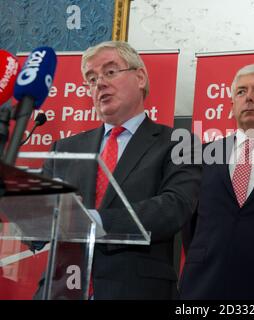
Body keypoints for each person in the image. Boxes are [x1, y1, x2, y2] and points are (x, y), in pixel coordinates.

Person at [39, 41, 202, 299]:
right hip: (62, 289)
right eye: (91, 79)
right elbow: (37, 218)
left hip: (137, 290)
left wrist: (96, 221)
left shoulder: (178, 142)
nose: (99, 83)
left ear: (139, 77)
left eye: (110, 72)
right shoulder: (66, 148)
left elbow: (175, 206)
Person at [180, 64, 254, 299]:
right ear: (232, 105)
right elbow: (188, 223)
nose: (249, 98)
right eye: (241, 92)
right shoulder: (200, 155)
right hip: (204, 282)